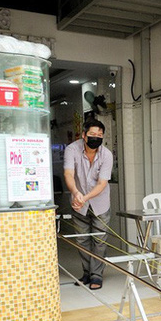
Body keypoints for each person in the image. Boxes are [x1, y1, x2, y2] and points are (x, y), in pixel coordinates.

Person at [63, 118, 113, 290]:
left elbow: (102, 184)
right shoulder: (72, 150)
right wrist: (76, 193)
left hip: (100, 203)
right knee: (82, 239)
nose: (96, 138)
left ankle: (97, 275)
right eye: (92, 134)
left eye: (99, 135)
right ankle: (86, 273)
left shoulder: (106, 155)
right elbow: (69, 174)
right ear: (84, 135)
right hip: (78, 202)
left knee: (100, 240)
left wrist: (84, 197)